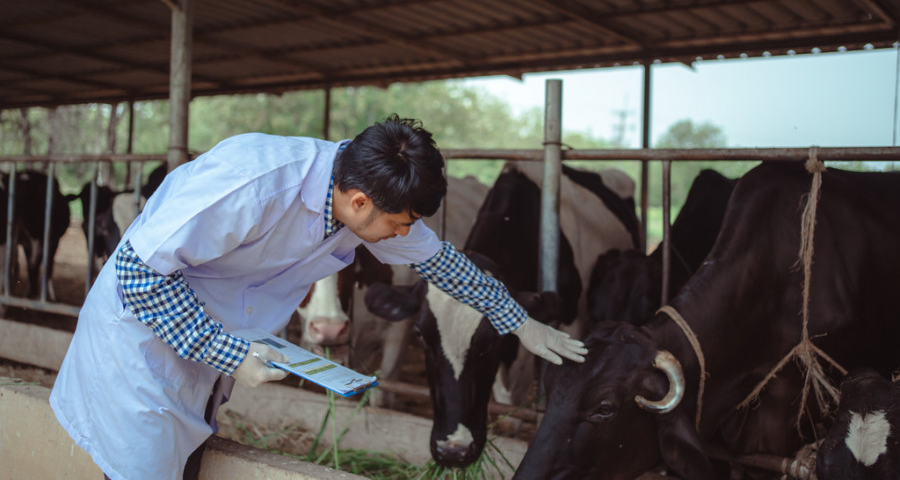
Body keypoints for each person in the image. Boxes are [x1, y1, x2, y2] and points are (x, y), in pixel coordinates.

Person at [50, 114, 587, 480]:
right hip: (140, 348)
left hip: (202, 352)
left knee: (184, 462)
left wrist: (518, 320)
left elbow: (439, 261)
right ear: (358, 202)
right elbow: (137, 274)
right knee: (142, 467)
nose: (405, 235)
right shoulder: (253, 181)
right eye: (400, 225)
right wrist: (231, 354)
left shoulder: (366, 196)